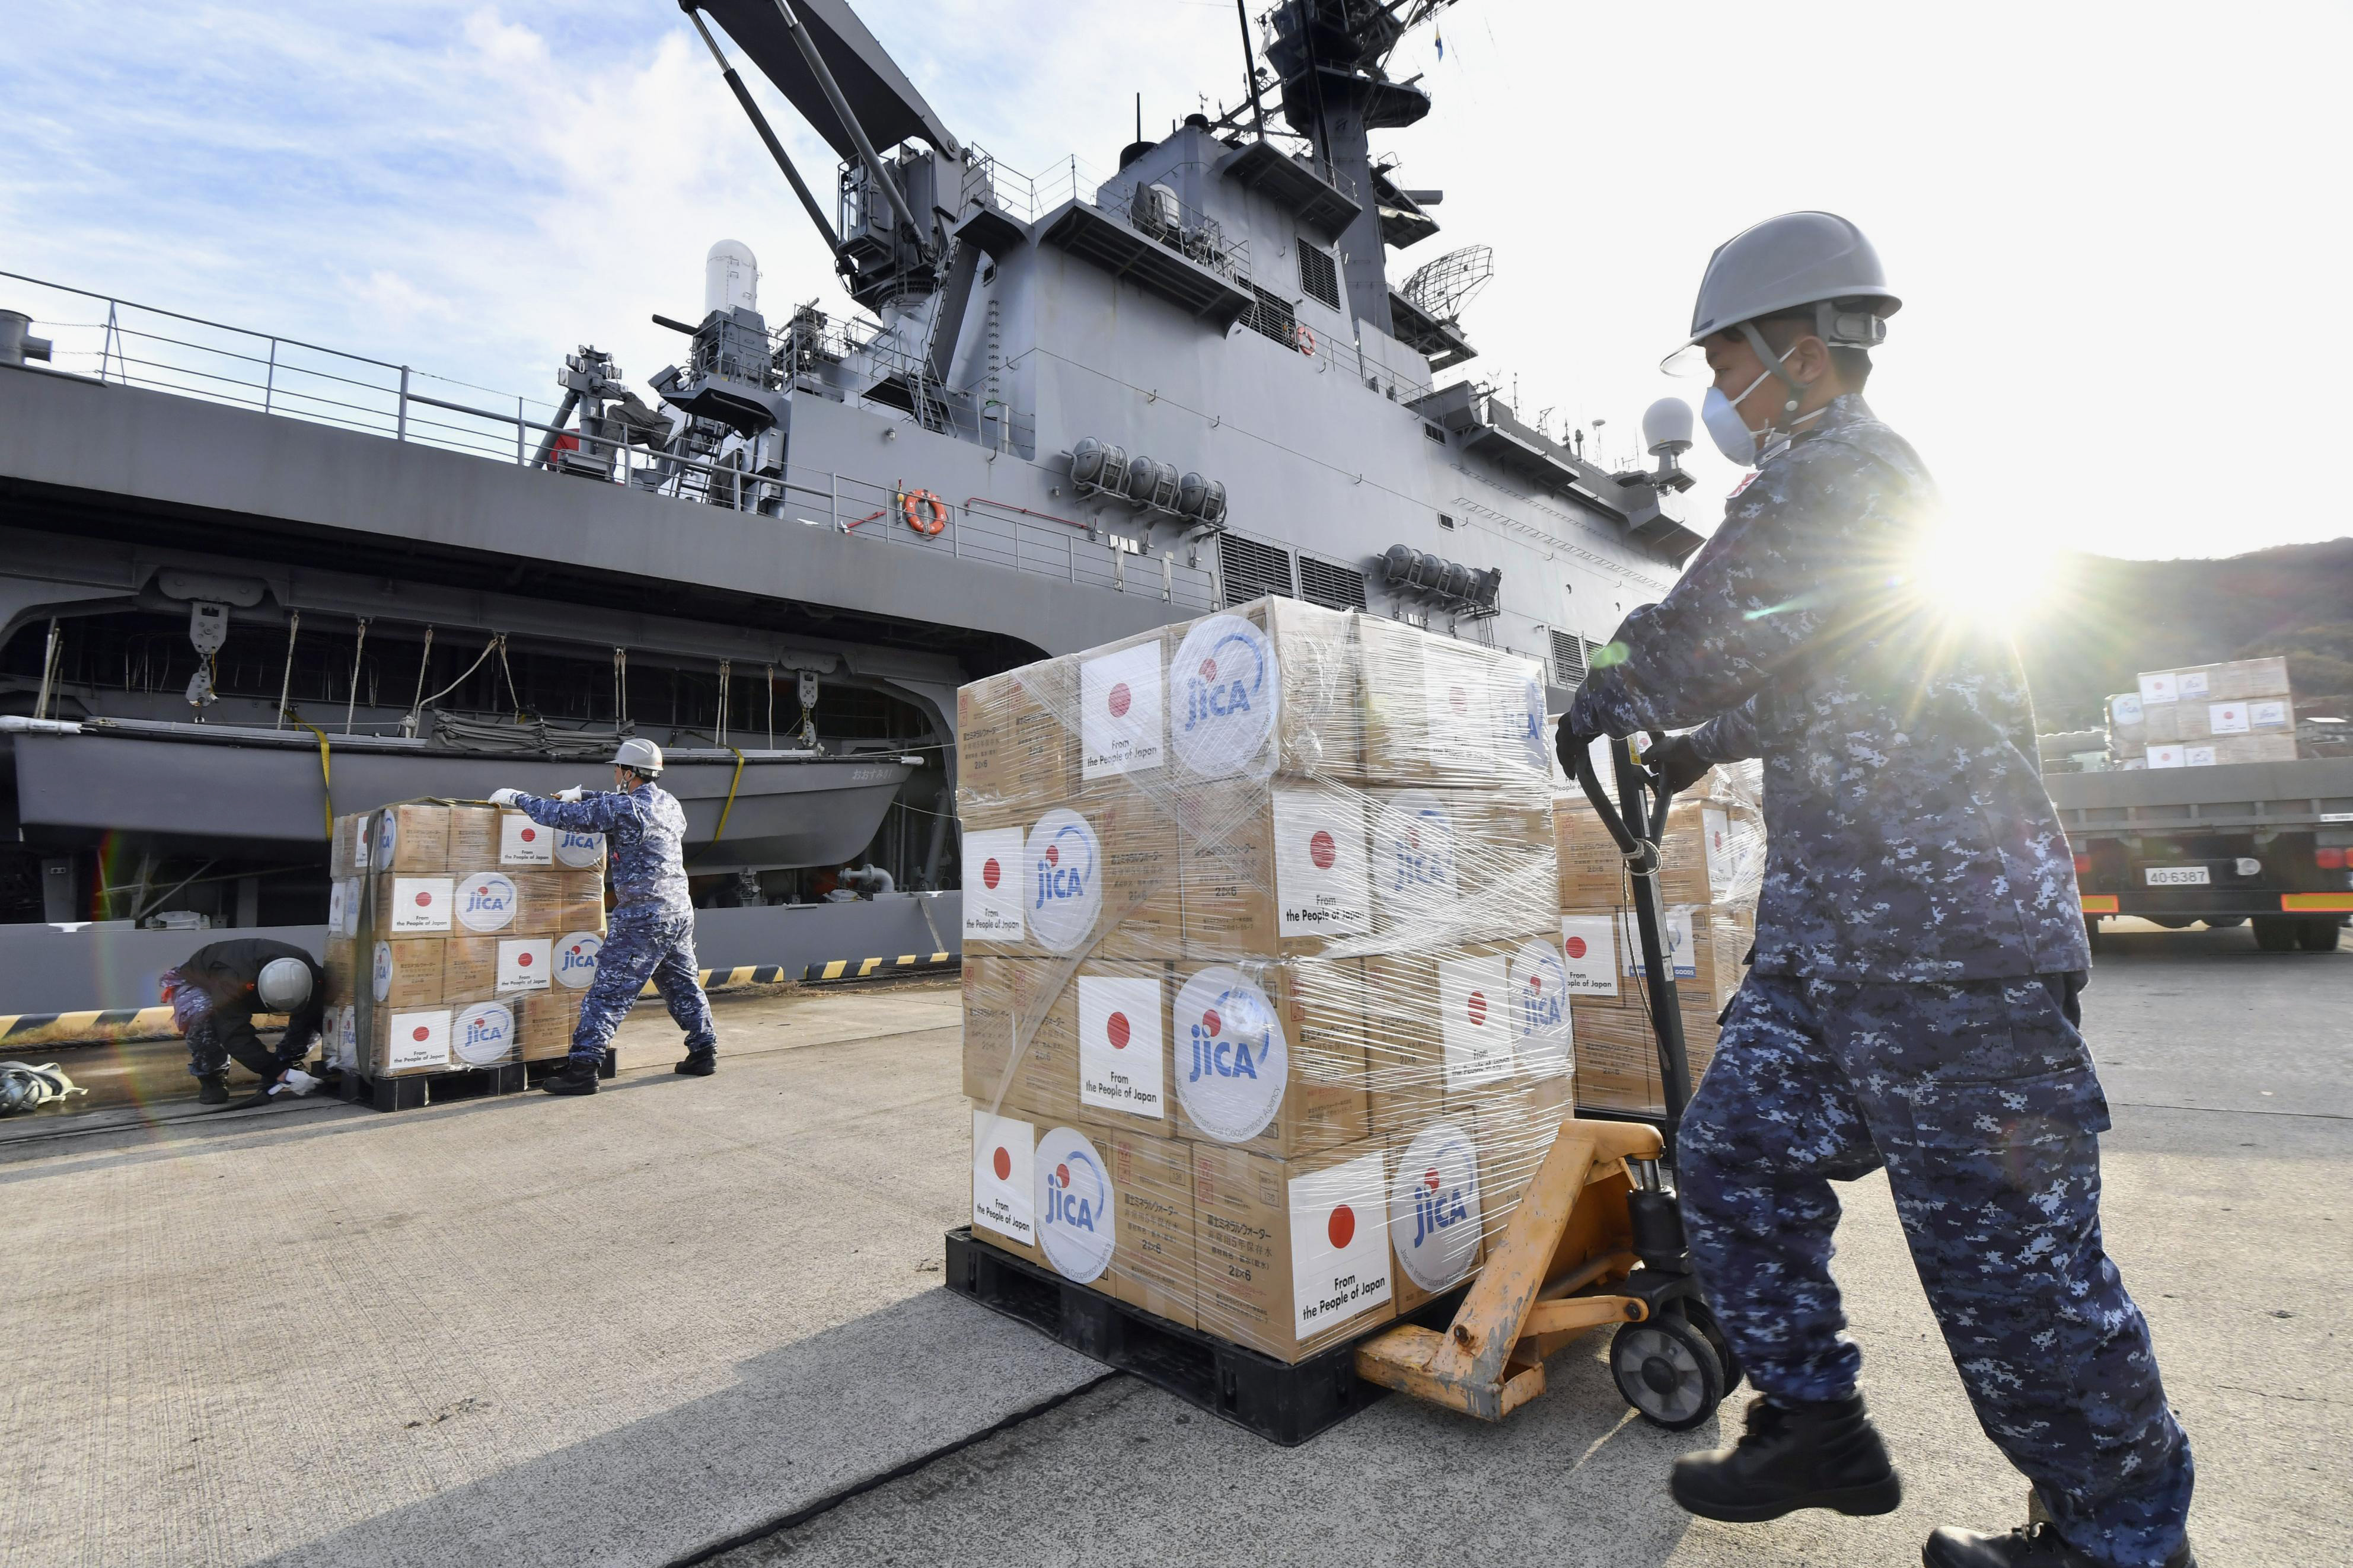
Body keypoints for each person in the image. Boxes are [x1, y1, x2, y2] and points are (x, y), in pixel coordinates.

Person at [1557, 212, 2193, 1568]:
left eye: (1726, 362)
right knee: (1729, 1151)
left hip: (1952, 961)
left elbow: (1697, 633)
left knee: (2018, 1289)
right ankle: (1815, 1421)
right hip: (1834, 950)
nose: (1720, 392)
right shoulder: (1839, 504)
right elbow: (1812, 671)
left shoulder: (1838, 476)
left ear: (1798, 351)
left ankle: (2121, 1539)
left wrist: (1607, 682)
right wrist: (1692, 746)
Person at [491, 738, 716, 1094]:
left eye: (617, 770)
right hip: (677, 911)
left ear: (628, 773)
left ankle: (583, 1069)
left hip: (643, 917)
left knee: (609, 993)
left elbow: (564, 817)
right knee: (683, 984)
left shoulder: (624, 808)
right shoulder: (669, 804)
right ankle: (704, 1051)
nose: (614, 775)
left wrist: (519, 798)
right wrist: (584, 794)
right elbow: (616, 806)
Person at [163, 938, 326, 1106]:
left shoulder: (309, 972)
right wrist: (279, 1073)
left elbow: (318, 1015)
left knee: (313, 1011)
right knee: (202, 1019)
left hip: (250, 977)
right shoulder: (230, 984)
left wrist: (339, 1059)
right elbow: (234, 1036)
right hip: (201, 980)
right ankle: (212, 1076)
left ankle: (287, 1060)